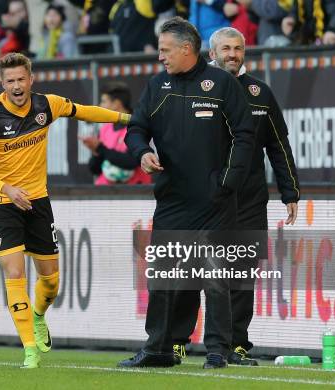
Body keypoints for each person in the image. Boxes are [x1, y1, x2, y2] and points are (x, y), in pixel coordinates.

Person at [0, 52, 131, 368]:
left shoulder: (46, 105)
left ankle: (39, 315)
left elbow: (84, 112)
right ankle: (29, 349)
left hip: (38, 201)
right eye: (10, 81)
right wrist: (7, 189)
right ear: (1, 83)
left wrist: (126, 119)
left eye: (21, 79)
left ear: (31, 79)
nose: (16, 86)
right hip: (1, 202)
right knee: (14, 272)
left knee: (51, 282)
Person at [118, 17, 255, 369]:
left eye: (165, 50)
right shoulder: (157, 85)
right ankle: (158, 349)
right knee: (163, 277)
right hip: (172, 200)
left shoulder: (223, 84)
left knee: (213, 278)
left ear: (186, 49)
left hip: (215, 202)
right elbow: (135, 128)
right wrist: (142, 153)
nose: (161, 57)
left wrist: (228, 181)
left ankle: (217, 351)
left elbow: (245, 134)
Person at [170, 26, 301, 367]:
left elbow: (278, 146)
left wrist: (291, 192)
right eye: (226, 48)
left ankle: (236, 345)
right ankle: (176, 340)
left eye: (238, 48)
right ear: (210, 54)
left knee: (240, 274)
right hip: (203, 199)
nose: (233, 54)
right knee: (190, 269)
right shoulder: (192, 87)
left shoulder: (260, 93)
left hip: (248, 200)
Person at [81, 82, 152, 185]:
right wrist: (96, 151)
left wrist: (100, 148)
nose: (101, 106)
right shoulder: (104, 129)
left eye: (104, 102)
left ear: (116, 104)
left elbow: (132, 162)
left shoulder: (137, 126)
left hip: (136, 193)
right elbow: (94, 169)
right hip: (108, 193)